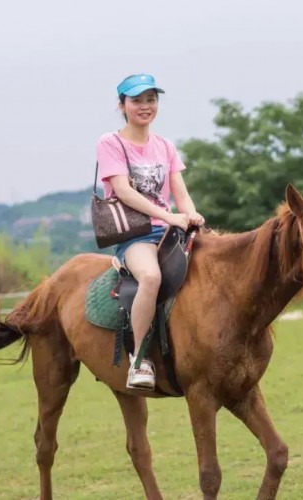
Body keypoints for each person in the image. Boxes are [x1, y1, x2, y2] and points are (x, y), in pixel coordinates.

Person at [96, 74, 205, 390]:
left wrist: (191, 214)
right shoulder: (110, 143)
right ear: (122, 105)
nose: (145, 106)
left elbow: (179, 191)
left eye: (151, 99)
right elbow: (124, 192)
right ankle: (139, 360)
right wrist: (169, 217)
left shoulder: (165, 146)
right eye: (137, 100)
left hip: (169, 230)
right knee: (152, 278)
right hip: (136, 233)